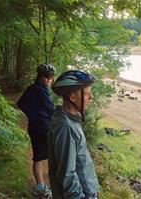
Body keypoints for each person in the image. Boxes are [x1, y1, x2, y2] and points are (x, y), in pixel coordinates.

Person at [48, 70, 99, 199]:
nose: (91, 97)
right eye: (87, 94)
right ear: (72, 97)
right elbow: (67, 174)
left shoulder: (71, 119)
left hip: (87, 191)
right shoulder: (65, 126)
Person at [17, 63, 56, 198]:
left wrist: (31, 114)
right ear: (40, 76)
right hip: (43, 128)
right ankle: (52, 187)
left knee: (38, 157)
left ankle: (41, 188)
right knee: (53, 155)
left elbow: (20, 104)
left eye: (51, 77)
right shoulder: (41, 90)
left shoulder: (31, 88)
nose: (50, 80)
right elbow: (50, 109)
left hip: (33, 127)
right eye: (47, 77)